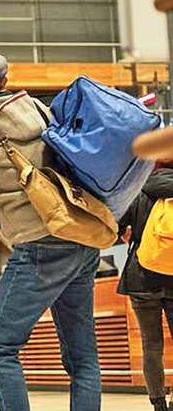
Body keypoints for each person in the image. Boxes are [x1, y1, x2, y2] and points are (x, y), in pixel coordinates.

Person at [0, 50, 101, 411]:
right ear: (4, 81)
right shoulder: (38, 109)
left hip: (38, 248)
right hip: (80, 238)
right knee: (82, 356)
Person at [117, 159, 173, 411]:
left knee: (152, 344)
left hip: (142, 277)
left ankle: (158, 403)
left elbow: (117, 226)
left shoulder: (137, 188)